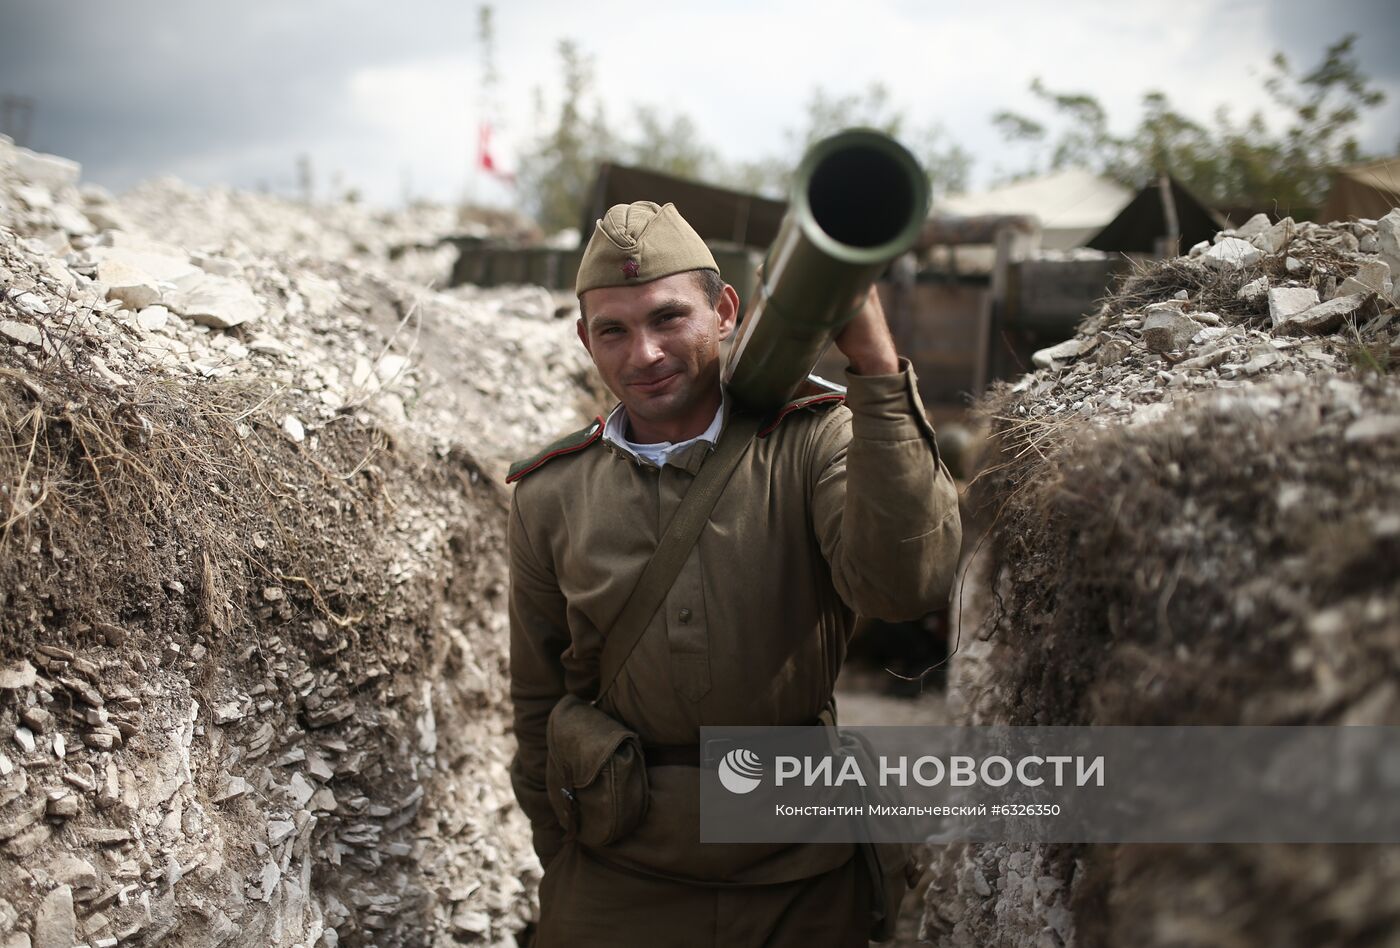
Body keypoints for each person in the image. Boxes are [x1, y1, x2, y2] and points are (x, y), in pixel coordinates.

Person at [506, 200, 962, 946]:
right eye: (614, 330)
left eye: (667, 318)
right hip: (619, 873)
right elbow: (536, 698)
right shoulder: (552, 494)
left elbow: (909, 584)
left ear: (723, 310)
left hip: (798, 873)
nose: (643, 354)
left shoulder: (813, 442)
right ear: (585, 339)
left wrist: (878, 370)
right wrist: (563, 860)